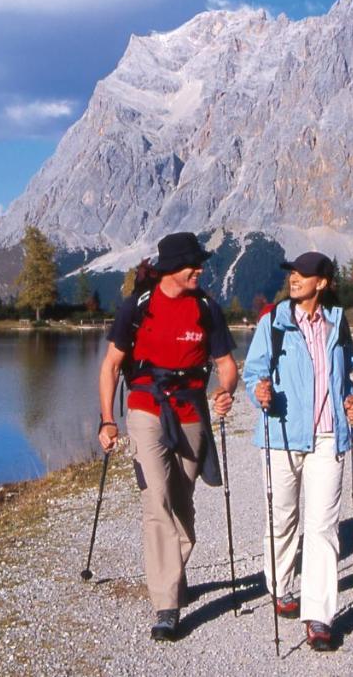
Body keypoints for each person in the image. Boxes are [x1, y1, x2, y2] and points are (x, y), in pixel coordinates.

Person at [98, 231, 238, 642]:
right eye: (193, 264)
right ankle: (167, 604)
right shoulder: (137, 308)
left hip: (191, 410)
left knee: (182, 504)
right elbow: (110, 367)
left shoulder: (208, 308)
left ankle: (172, 575)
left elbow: (227, 365)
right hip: (145, 409)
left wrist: (225, 391)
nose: (200, 269)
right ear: (172, 269)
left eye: (200, 263)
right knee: (155, 500)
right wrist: (108, 420)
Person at [243, 251, 353, 652]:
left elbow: (345, 377)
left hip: (328, 436)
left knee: (323, 527)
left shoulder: (337, 325)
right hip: (281, 434)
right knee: (283, 519)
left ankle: (319, 617)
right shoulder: (272, 323)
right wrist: (259, 391)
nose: (294, 278)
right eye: (292, 273)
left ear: (322, 283)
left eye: (303, 274)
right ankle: (280, 587)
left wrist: (350, 402)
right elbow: (253, 371)